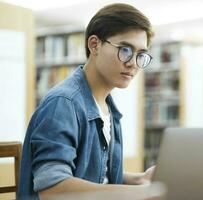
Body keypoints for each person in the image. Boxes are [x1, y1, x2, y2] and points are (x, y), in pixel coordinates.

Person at [17, 3, 156, 200]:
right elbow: (53, 189)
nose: (133, 63)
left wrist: (138, 179)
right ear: (94, 45)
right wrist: (139, 194)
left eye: (141, 55)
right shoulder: (63, 104)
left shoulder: (108, 108)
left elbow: (95, 175)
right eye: (125, 50)